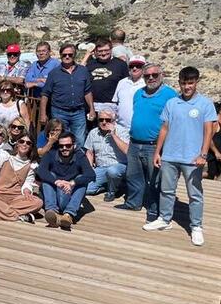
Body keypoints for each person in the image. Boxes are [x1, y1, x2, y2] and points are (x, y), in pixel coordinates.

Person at [144, 66, 217, 246]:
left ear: (196, 83)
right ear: (179, 83)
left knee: (195, 194)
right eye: (184, 83)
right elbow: (164, 128)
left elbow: (209, 130)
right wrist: (158, 152)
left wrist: (203, 154)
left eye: (190, 83)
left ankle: (196, 226)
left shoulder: (205, 104)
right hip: (170, 155)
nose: (187, 87)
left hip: (193, 158)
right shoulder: (172, 103)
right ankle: (164, 219)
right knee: (167, 190)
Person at [119, 63, 177, 220]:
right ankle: (133, 203)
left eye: (154, 75)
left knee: (155, 180)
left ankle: (154, 209)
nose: (151, 78)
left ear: (161, 75)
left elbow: (173, 122)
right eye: (147, 75)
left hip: (154, 145)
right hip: (134, 142)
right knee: (133, 175)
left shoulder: (170, 95)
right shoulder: (138, 93)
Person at [37, 132, 95, 230]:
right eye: (61, 146)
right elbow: (41, 171)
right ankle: (52, 212)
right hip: (54, 193)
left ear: (74, 145)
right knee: (48, 176)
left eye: (68, 145)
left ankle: (68, 215)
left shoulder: (79, 156)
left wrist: (72, 183)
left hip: (69, 195)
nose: (64, 148)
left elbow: (91, 174)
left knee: (82, 180)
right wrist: (56, 181)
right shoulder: (51, 153)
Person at [40, 43, 95, 143]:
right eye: (64, 55)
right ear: (60, 56)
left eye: (70, 54)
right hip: (59, 112)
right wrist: (43, 114)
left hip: (78, 112)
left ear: (74, 55)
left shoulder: (83, 71)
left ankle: (78, 158)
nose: (67, 57)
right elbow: (45, 94)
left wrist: (92, 109)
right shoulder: (54, 73)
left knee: (79, 140)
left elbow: (87, 92)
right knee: (60, 140)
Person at [0, 134, 43, 222]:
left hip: (16, 198)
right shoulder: (4, 155)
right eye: (22, 141)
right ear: (17, 143)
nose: (24, 144)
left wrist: (27, 190)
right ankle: (17, 216)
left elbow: (28, 182)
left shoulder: (32, 164)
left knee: (38, 202)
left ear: (31, 147)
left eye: (28, 143)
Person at [84, 110, 129, 201]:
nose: (104, 122)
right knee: (87, 189)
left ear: (113, 121)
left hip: (118, 165)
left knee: (112, 171)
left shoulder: (122, 131)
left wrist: (113, 135)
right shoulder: (93, 132)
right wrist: (89, 168)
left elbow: (127, 150)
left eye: (107, 120)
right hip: (101, 167)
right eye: (101, 120)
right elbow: (89, 152)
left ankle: (112, 192)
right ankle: (108, 185)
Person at [85, 39, 129, 116]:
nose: (103, 53)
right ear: (95, 52)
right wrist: (87, 55)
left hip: (113, 106)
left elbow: (126, 84)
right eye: (100, 51)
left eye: (106, 50)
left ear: (111, 50)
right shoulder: (90, 65)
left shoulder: (121, 64)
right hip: (93, 105)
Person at [112, 56, 147, 133]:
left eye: (138, 66)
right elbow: (115, 103)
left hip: (139, 128)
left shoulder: (147, 84)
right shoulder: (122, 82)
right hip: (120, 127)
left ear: (144, 68)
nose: (134, 68)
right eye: (131, 66)